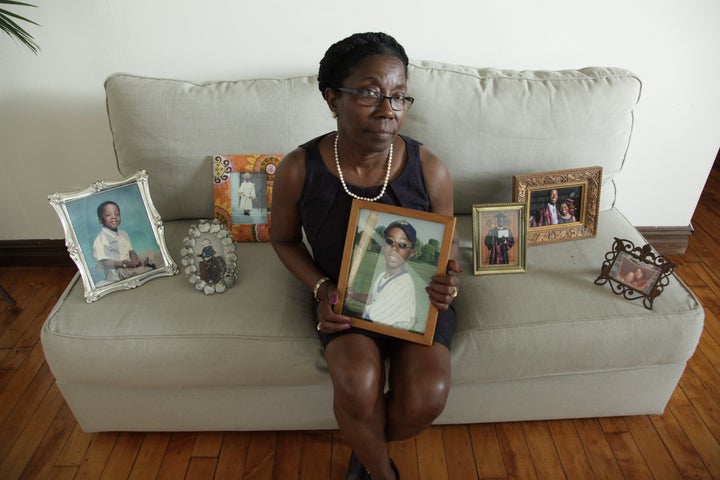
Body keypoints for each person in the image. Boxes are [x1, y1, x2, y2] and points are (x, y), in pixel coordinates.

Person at [270, 32, 461, 480]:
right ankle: (382, 473)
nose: (387, 109)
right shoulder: (299, 168)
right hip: (346, 297)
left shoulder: (429, 167)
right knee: (357, 383)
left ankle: (364, 441)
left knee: (428, 395)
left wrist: (450, 278)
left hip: (419, 302)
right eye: (371, 93)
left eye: (398, 96)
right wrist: (322, 288)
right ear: (332, 98)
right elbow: (283, 240)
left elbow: (448, 242)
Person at [346, 220, 418, 330]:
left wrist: (342, 313)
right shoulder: (383, 275)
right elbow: (375, 299)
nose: (394, 248)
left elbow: (368, 319)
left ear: (411, 254)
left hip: (397, 339)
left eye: (402, 245)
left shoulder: (402, 284)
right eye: (390, 241)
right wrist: (353, 295)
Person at [92, 201, 160, 283]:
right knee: (143, 271)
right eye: (108, 215)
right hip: (117, 271)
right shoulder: (101, 238)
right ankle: (150, 271)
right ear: (100, 220)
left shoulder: (123, 233)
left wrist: (135, 259)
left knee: (152, 254)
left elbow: (131, 251)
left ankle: (163, 269)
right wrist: (126, 264)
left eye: (117, 214)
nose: (114, 217)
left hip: (130, 263)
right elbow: (105, 262)